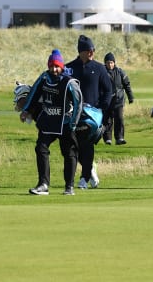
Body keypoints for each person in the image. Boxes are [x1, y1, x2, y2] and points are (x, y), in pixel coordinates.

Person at [22, 49, 81, 196]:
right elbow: (34, 93)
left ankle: (69, 186)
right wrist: (26, 110)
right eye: (51, 66)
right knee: (41, 148)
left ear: (61, 67)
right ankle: (43, 184)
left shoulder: (69, 82)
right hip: (48, 121)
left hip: (66, 123)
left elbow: (78, 103)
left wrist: (73, 123)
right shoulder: (44, 77)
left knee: (69, 153)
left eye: (57, 66)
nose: (54, 69)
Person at [66, 35, 113, 190]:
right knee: (72, 148)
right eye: (89, 50)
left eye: (93, 50)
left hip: (92, 116)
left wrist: (101, 108)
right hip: (73, 115)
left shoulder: (99, 68)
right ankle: (90, 168)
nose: (92, 53)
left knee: (87, 146)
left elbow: (108, 90)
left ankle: (84, 178)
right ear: (81, 52)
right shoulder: (70, 68)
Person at [102, 52, 135, 145]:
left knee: (119, 118)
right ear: (105, 63)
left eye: (111, 62)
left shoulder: (120, 72)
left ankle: (119, 138)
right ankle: (108, 139)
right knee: (107, 120)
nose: (110, 64)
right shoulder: (102, 72)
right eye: (108, 62)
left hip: (119, 100)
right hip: (107, 101)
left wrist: (130, 97)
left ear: (114, 63)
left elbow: (127, 85)